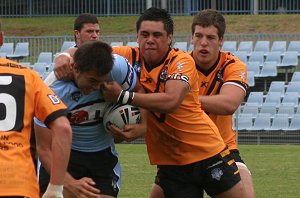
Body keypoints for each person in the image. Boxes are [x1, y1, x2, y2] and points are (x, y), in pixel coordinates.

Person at [54, 7, 249, 198]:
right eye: (144, 34)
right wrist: (64, 56)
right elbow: (89, 52)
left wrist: (123, 96)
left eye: (157, 35)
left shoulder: (180, 61)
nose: (150, 40)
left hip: (206, 151)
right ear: (137, 37)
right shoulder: (128, 56)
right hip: (171, 161)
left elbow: (171, 101)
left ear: (169, 38)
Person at [35, 40, 146, 198]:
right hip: (63, 154)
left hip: (102, 156)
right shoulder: (52, 90)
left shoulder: (118, 68)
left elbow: (139, 91)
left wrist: (143, 126)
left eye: (102, 82)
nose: (96, 88)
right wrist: (69, 182)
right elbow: (44, 149)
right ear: (76, 69)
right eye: (92, 81)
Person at [0, 23, 72, 198]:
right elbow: (63, 128)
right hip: (18, 183)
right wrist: (55, 188)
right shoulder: (27, 75)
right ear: (1, 39)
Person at [190, 9, 255, 197]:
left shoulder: (232, 66)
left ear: (221, 41)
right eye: (198, 36)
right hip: (184, 152)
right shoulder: (179, 65)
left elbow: (229, 104)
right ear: (191, 38)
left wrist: (180, 99)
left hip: (223, 149)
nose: (203, 43)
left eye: (210, 37)